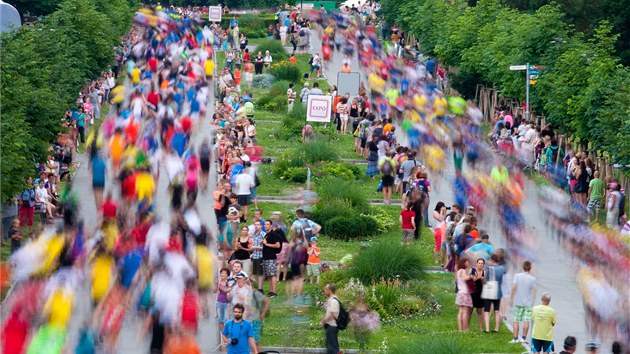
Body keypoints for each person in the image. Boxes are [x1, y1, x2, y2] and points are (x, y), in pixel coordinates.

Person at [509, 260, 536, 344]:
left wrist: (511, 298)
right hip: (527, 302)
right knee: (526, 320)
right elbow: (533, 291)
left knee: (516, 320)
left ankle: (515, 338)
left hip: (518, 301)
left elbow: (513, 287)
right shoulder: (532, 279)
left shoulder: (517, 276)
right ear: (530, 268)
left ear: (523, 267)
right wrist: (532, 301)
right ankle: (523, 338)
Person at [483, 253, 505, 333]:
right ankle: (496, 328)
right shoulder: (501, 269)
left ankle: (487, 328)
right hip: (498, 291)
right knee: (496, 310)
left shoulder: (487, 268)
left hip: (489, 290)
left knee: (487, 310)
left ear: (492, 260)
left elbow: (484, 278)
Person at [261, 220, 282, 297]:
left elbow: (277, 245)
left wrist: (266, 244)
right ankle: (271, 291)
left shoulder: (273, 234)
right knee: (269, 275)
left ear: (271, 226)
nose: (266, 226)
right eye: (265, 224)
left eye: (267, 224)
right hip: (266, 257)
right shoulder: (267, 234)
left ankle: (274, 292)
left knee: (272, 275)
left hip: (271, 257)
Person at [320, 283, 340, 354]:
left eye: (325, 289)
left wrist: (323, 321)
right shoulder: (331, 299)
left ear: (329, 290)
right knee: (331, 348)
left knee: (333, 349)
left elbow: (332, 314)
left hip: (332, 326)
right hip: (330, 326)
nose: (324, 291)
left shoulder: (334, 301)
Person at [455, 258, 473, 332]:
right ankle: (465, 329)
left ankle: (460, 329)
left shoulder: (458, 272)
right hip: (465, 293)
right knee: (465, 311)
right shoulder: (462, 271)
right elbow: (465, 278)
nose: (468, 264)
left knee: (460, 312)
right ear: (464, 263)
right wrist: (471, 276)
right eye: (467, 262)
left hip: (460, 293)